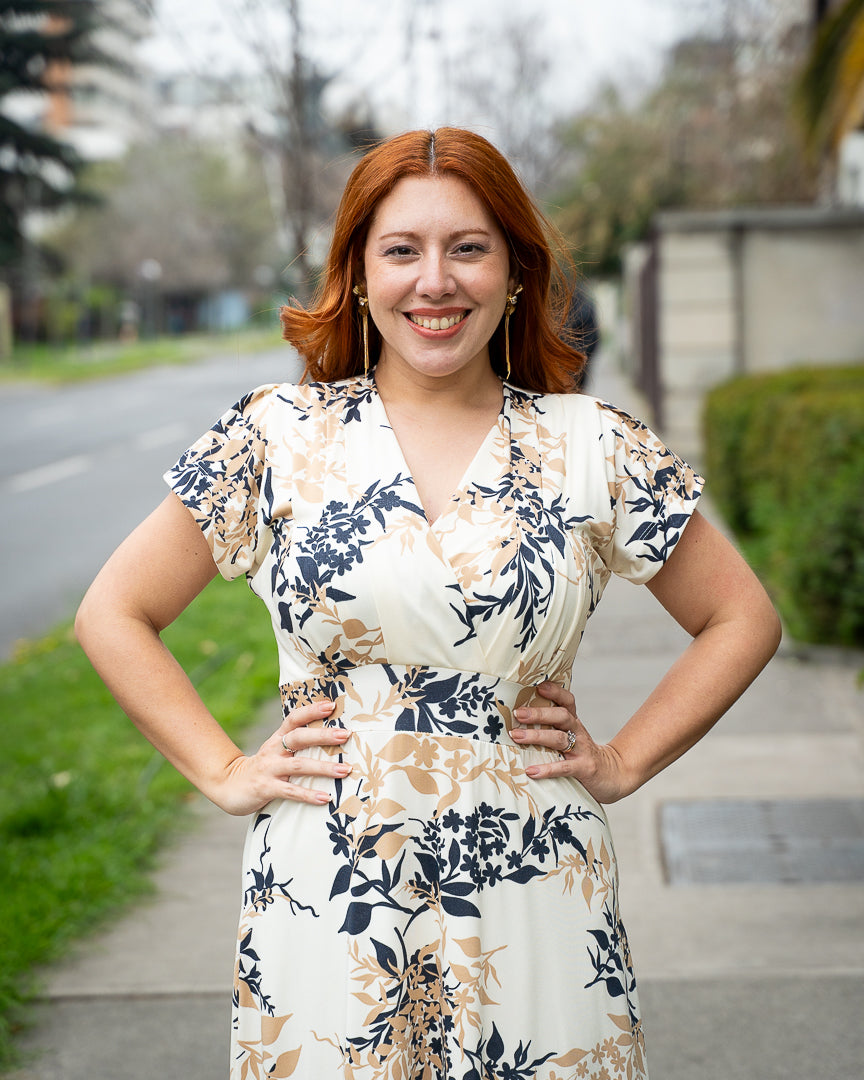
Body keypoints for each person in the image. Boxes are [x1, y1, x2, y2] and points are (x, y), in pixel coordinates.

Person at [76, 127, 781, 1080]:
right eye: (402, 250)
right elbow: (114, 612)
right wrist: (224, 768)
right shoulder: (278, 436)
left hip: (535, 876)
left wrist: (621, 761)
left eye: (469, 248)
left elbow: (742, 618)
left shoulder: (592, 443)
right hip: (329, 881)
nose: (435, 281)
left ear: (515, 271)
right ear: (360, 275)